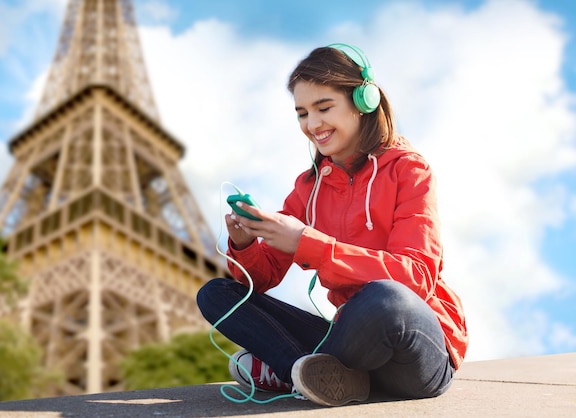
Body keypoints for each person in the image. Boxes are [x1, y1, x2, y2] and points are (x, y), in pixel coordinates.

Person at [196, 43, 468, 407]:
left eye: (324, 108)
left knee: (385, 299)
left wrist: (307, 243)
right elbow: (258, 282)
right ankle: (310, 372)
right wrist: (244, 243)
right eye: (302, 113)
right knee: (216, 294)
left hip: (414, 346)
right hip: (350, 346)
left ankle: (289, 369)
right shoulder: (308, 189)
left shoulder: (408, 169)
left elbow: (416, 277)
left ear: (363, 101)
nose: (312, 125)